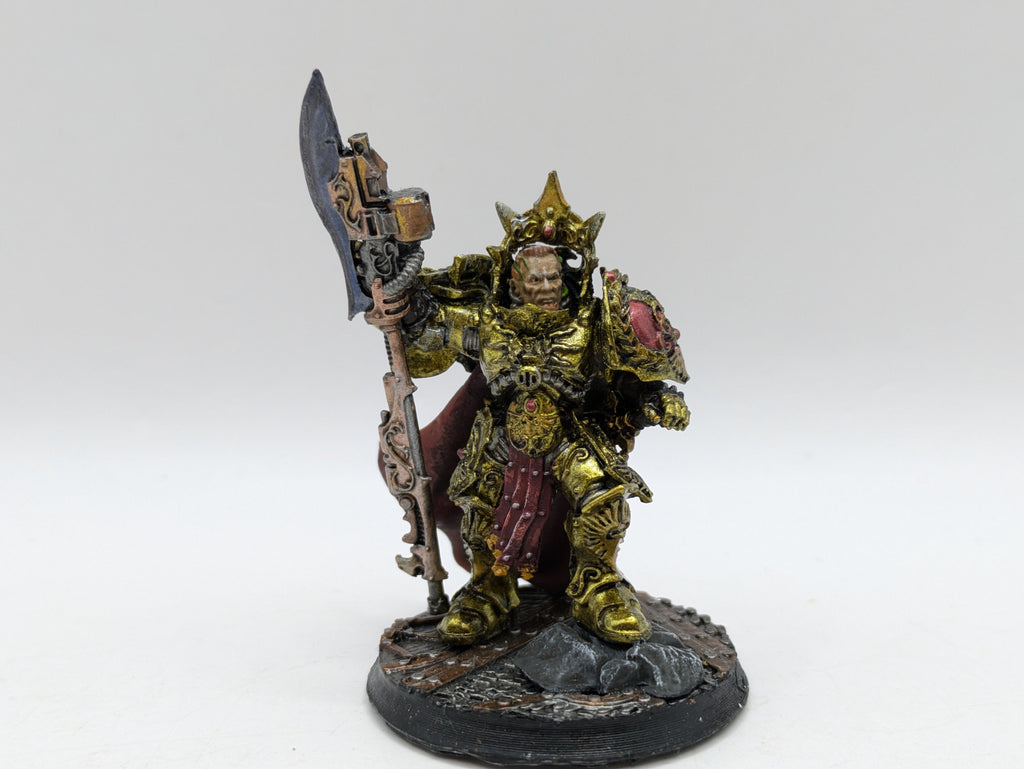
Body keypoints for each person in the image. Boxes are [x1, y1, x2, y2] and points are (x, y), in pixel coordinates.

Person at [397, 172, 690, 645]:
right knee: (479, 501)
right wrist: (402, 300)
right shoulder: (486, 322)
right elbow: (428, 332)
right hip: (500, 435)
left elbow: (635, 376)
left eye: (554, 276)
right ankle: (488, 588)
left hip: (570, 434)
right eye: (536, 278)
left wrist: (659, 399)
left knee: (601, 496)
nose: (548, 286)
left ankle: (598, 586)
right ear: (515, 279)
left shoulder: (591, 324)